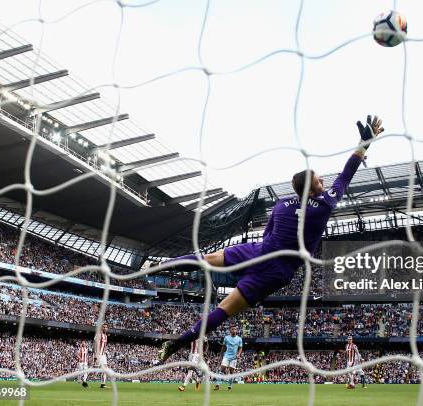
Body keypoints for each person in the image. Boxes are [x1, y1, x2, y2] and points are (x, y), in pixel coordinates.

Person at [158, 115, 384, 362]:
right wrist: (364, 144)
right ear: (310, 189)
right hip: (278, 271)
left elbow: (268, 232)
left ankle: (164, 265)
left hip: (259, 251)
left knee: (207, 258)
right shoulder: (325, 204)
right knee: (224, 309)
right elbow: (346, 174)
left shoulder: (281, 205)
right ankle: (178, 342)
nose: (323, 180)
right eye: (319, 179)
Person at [214, 325, 243, 391]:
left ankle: (230, 386)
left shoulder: (239, 339)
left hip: (234, 357)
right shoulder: (226, 338)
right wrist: (221, 355)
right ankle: (217, 385)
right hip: (226, 355)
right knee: (222, 368)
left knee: (231, 371)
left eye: (235, 329)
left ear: (236, 330)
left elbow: (240, 348)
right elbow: (223, 347)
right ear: (230, 330)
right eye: (232, 329)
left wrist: (238, 354)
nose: (234, 330)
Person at [95, 324, 109, 389]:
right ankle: (84, 380)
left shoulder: (106, 336)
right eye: (104, 327)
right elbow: (96, 344)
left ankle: (103, 384)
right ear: (101, 328)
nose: (105, 328)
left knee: (105, 369)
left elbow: (104, 346)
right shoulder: (99, 335)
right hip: (99, 354)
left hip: (103, 355)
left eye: (106, 327)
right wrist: (95, 354)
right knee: (94, 368)